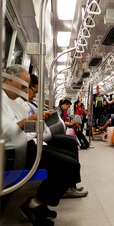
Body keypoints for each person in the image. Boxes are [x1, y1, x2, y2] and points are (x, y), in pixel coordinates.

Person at [1, 65, 83, 225]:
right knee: (70, 166)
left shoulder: (10, 101)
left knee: (71, 158)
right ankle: (34, 204)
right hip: (13, 152)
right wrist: (29, 120)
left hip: (25, 144)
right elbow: (5, 133)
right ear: (10, 80)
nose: (25, 90)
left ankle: (40, 203)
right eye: (23, 85)